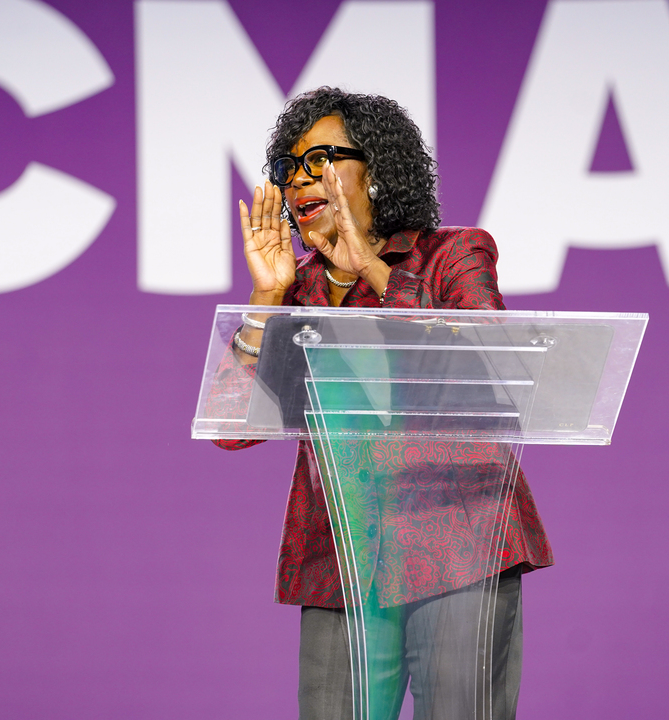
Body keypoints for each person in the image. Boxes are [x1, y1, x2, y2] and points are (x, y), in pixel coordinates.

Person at [213, 87, 552, 720]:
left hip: (455, 543)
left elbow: (488, 362)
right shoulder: (298, 291)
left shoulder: (454, 254)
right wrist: (265, 299)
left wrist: (370, 265)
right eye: (289, 167)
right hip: (344, 561)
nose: (298, 179)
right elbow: (231, 426)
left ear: (378, 169)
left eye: (321, 159)